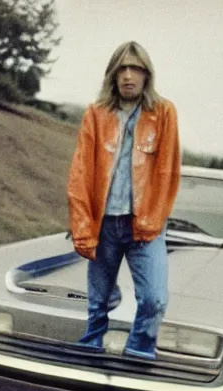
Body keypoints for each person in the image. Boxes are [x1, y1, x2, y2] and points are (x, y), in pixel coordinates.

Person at [66, 41, 181, 360]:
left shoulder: (163, 113)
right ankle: (89, 353)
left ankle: (139, 350)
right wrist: (82, 225)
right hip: (104, 224)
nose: (129, 76)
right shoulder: (96, 114)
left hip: (144, 224)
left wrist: (152, 222)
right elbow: (80, 172)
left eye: (136, 69)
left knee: (154, 298)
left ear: (147, 75)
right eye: (123, 69)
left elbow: (167, 172)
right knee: (97, 300)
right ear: (113, 75)